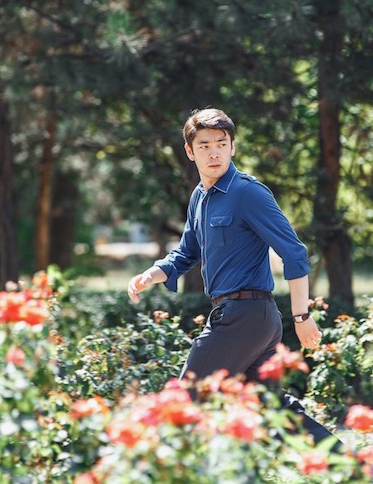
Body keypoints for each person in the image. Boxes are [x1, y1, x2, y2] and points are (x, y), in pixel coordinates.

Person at [126, 107, 337, 447]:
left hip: (244, 316)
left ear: (232, 147)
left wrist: (302, 315)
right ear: (190, 151)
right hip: (246, 318)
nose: (214, 152)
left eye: (221, 144)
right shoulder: (199, 198)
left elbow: (294, 252)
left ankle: (157, 465)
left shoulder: (247, 193)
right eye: (205, 145)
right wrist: (152, 273)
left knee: (184, 400)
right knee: (273, 413)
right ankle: (359, 472)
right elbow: (186, 253)